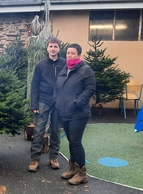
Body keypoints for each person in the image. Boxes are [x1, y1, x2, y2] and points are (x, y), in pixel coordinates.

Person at [54, 43, 96, 184]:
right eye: (68, 53)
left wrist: (77, 103)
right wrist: (57, 101)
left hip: (79, 113)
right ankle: (72, 168)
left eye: (72, 53)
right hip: (64, 111)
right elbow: (58, 87)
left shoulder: (86, 70)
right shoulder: (65, 69)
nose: (69, 55)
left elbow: (90, 89)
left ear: (79, 54)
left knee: (76, 142)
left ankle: (82, 173)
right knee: (71, 142)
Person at [28, 37, 66, 172]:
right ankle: (34, 160)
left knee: (55, 130)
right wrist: (34, 104)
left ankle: (53, 158)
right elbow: (35, 85)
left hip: (58, 102)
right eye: (51, 46)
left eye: (55, 46)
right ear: (47, 48)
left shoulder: (65, 64)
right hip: (43, 101)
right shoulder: (41, 65)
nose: (53, 49)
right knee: (39, 130)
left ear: (59, 48)